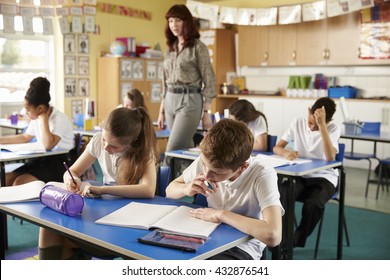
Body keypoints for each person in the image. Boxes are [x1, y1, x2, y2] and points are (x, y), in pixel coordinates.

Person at [38, 107, 158, 259]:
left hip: (130, 222)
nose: (106, 147)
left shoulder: (143, 151)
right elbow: (72, 171)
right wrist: (71, 180)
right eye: (104, 140)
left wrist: (103, 190)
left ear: (131, 142)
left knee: (64, 240)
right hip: (105, 212)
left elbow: (148, 190)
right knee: (48, 227)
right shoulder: (97, 141)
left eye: (114, 146)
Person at [165, 119, 284, 260]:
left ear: (242, 167)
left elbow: (274, 235)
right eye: (204, 164)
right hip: (205, 235)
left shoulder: (262, 174)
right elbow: (169, 191)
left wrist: (221, 215)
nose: (207, 174)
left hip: (241, 247)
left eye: (217, 172)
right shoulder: (207, 160)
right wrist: (186, 188)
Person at [273, 97, 340, 248]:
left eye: (316, 126)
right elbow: (277, 147)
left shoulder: (333, 128)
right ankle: (280, 240)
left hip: (325, 177)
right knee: (282, 193)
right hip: (301, 175)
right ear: (308, 111)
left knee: (314, 203)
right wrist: (285, 153)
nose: (311, 128)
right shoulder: (297, 122)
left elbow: (330, 157)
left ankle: (294, 241)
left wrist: (322, 126)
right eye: (310, 123)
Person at [157, 4, 216, 152]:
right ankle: (193, 175)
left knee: (173, 148)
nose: (173, 25)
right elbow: (164, 81)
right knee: (185, 147)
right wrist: (161, 111)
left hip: (189, 100)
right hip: (170, 99)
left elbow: (209, 79)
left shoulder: (198, 47)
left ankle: (167, 175)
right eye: (170, 21)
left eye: (177, 20)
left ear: (187, 22)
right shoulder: (170, 48)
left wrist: (207, 113)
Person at [0, 77, 75, 186]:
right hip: (40, 159)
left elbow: (48, 145)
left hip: (60, 163)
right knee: (5, 179)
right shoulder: (35, 117)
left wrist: (44, 119)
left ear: (40, 108)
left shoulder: (60, 119)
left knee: (19, 183)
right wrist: (1, 140)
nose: (26, 113)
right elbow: (26, 137)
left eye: (28, 110)